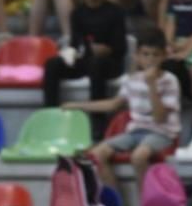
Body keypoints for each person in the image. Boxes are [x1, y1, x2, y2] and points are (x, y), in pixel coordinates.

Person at [70, 27, 180, 192]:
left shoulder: (170, 80)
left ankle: (147, 205)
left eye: (155, 55)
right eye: (145, 54)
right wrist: (77, 105)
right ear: (137, 56)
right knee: (98, 153)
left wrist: (152, 86)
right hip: (135, 132)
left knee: (139, 156)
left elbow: (160, 118)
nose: (150, 60)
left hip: (162, 133)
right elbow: (113, 104)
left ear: (164, 56)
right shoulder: (132, 79)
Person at [42, 0, 127, 134]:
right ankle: (50, 115)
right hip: (84, 60)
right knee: (52, 64)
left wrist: (106, 49)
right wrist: (69, 55)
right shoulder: (77, 13)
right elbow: (75, 44)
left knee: (97, 63)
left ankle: (98, 124)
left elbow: (121, 47)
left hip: (109, 64)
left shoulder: (115, 12)